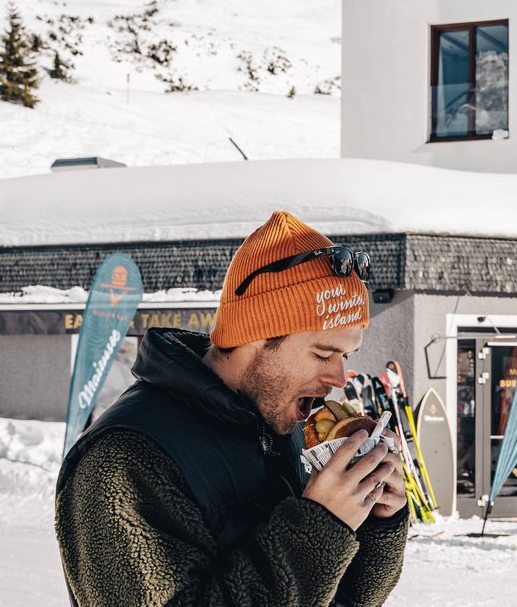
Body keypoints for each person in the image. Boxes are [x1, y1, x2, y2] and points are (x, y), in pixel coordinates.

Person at [55, 211, 408, 606]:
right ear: (255, 337)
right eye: (323, 353)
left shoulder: (278, 423)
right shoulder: (125, 458)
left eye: (345, 354)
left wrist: (374, 520)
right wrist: (320, 525)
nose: (341, 377)